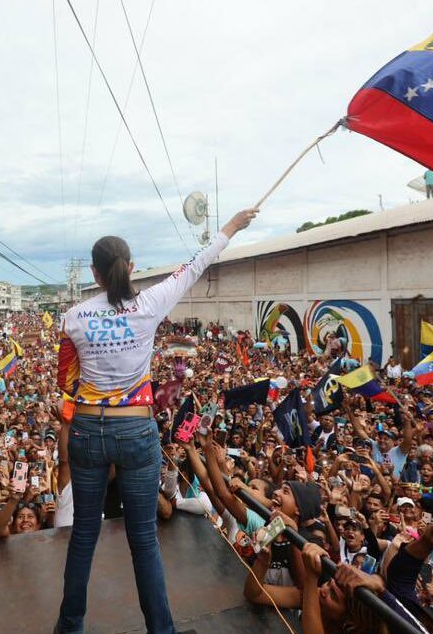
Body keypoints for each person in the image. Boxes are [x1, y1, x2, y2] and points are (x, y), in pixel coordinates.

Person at [54, 207, 258, 634]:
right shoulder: (150, 303)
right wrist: (232, 227)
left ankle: (69, 627)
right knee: (143, 539)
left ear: (94, 272)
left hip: (89, 430)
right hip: (136, 429)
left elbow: (66, 383)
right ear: (130, 268)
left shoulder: (73, 318)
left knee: (84, 536)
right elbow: (197, 264)